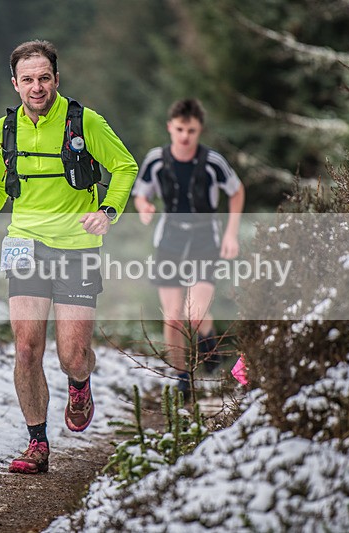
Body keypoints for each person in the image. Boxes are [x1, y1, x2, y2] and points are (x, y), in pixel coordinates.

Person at [0, 40, 137, 474]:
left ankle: (80, 383)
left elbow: (125, 167)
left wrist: (108, 211)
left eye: (44, 78)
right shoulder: (3, 129)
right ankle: (36, 444)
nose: (36, 87)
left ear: (56, 79)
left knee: (71, 355)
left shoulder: (84, 122)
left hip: (77, 246)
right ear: (15, 84)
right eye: (28, 80)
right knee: (26, 350)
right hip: (24, 242)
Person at [132, 98, 244, 400]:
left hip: (205, 238)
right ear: (170, 127)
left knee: (195, 314)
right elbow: (141, 193)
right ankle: (182, 379)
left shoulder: (213, 162)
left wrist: (231, 233)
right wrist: (144, 207)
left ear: (199, 130)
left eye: (191, 130)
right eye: (180, 129)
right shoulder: (156, 159)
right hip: (168, 239)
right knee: (172, 317)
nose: (185, 136)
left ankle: (207, 343)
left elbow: (236, 191)